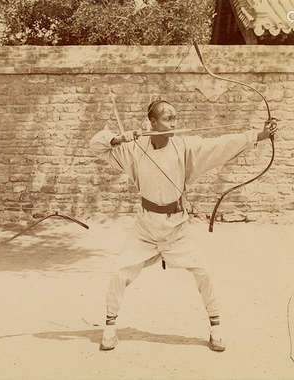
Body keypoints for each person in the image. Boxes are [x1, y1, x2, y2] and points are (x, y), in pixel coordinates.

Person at [89, 100, 277, 352]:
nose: (174, 123)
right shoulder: (133, 148)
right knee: (119, 272)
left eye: (175, 117)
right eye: (167, 118)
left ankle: (216, 327)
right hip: (145, 226)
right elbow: (96, 144)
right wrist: (115, 139)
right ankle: (110, 327)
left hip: (177, 226)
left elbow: (221, 145)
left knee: (204, 272)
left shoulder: (185, 146)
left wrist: (260, 135)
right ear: (151, 122)